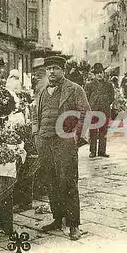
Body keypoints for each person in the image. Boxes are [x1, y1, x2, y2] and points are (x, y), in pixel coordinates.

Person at [32, 56, 91, 240]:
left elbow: (86, 113)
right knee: (50, 181)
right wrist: (36, 133)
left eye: (56, 68)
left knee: (68, 182)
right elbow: (35, 114)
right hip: (44, 141)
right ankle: (57, 219)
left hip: (64, 141)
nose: (51, 72)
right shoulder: (41, 90)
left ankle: (74, 225)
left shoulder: (74, 89)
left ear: (63, 70)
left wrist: (77, 136)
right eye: (49, 69)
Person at [84, 63, 114, 158]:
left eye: (101, 72)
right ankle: (92, 151)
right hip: (93, 111)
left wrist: (105, 103)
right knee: (93, 131)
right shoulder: (89, 85)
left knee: (103, 131)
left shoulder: (108, 85)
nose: (99, 75)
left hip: (105, 110)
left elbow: (111, 97)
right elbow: (86, 98)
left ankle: (102, 151)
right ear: (94, 74)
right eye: (97, 73)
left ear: (103, 73)